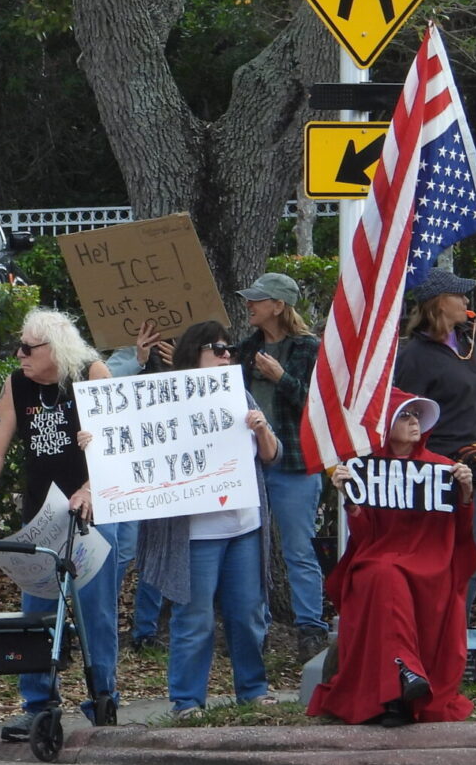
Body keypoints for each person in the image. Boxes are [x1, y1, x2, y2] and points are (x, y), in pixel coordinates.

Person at [0, 307, 117, 739]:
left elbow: (112, 441)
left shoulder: (91, 374)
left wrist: (89, 488)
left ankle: (101, 700)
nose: (19, 355)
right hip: (42, 513)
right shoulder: (17, 385)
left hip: (91, 511)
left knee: (95, 613)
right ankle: (37, 703)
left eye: (28, 348)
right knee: (37, 610)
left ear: (56, 348)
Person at [125, 321, 279, 718]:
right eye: (217, 348)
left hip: (243, 526)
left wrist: (261, 430)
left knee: (246, 613)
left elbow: (271, 454)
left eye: (228, 348)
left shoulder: (240, 394)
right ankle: (187, 700)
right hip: (194, 533)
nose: (226, 354)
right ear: (194, 353)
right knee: (194, 619)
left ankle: (253, 690)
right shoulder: (166, 401)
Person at [306, 390, 476, 726]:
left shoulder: (443, 468)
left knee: (387, 576)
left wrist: (466, 494)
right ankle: (402, 680)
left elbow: (459, 530)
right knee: (383, 575)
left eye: (417, 415)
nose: (414, 421)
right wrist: (351, 500)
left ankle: (400, 686)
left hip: (431, 561)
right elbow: (366, 536)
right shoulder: (365, 469)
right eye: (405, 415)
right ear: (385, 426)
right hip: (379, 555)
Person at [393, 269, 476, 616]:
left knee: (474, 558)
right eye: (459, 295)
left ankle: (455, 638)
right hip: (433, 472)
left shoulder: (475, 340)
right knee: (432, 560)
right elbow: (405, 418)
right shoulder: (414, 357)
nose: (467, 301)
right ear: (440, 304)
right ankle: (427, 636)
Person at [234, 271, 327, 662]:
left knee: (298, 550)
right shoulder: (244, 349)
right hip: (250, 465)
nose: (250, 305)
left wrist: (281, 377)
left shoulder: (309, 348)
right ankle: (255, 629)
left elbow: (319, 409)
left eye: (258, 299)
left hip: (295, 464)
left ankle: (311, 630)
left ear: (278, 306)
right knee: (250, 551)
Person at [102, 320, 171, 651]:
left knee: (157, 551)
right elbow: (100, 385)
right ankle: (103, 625)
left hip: (167, 467)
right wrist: (138, 358)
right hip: (127, 469)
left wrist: (184, 363)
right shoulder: (123, 353)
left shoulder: (192, 348)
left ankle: (146, 631)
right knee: (122, 548)